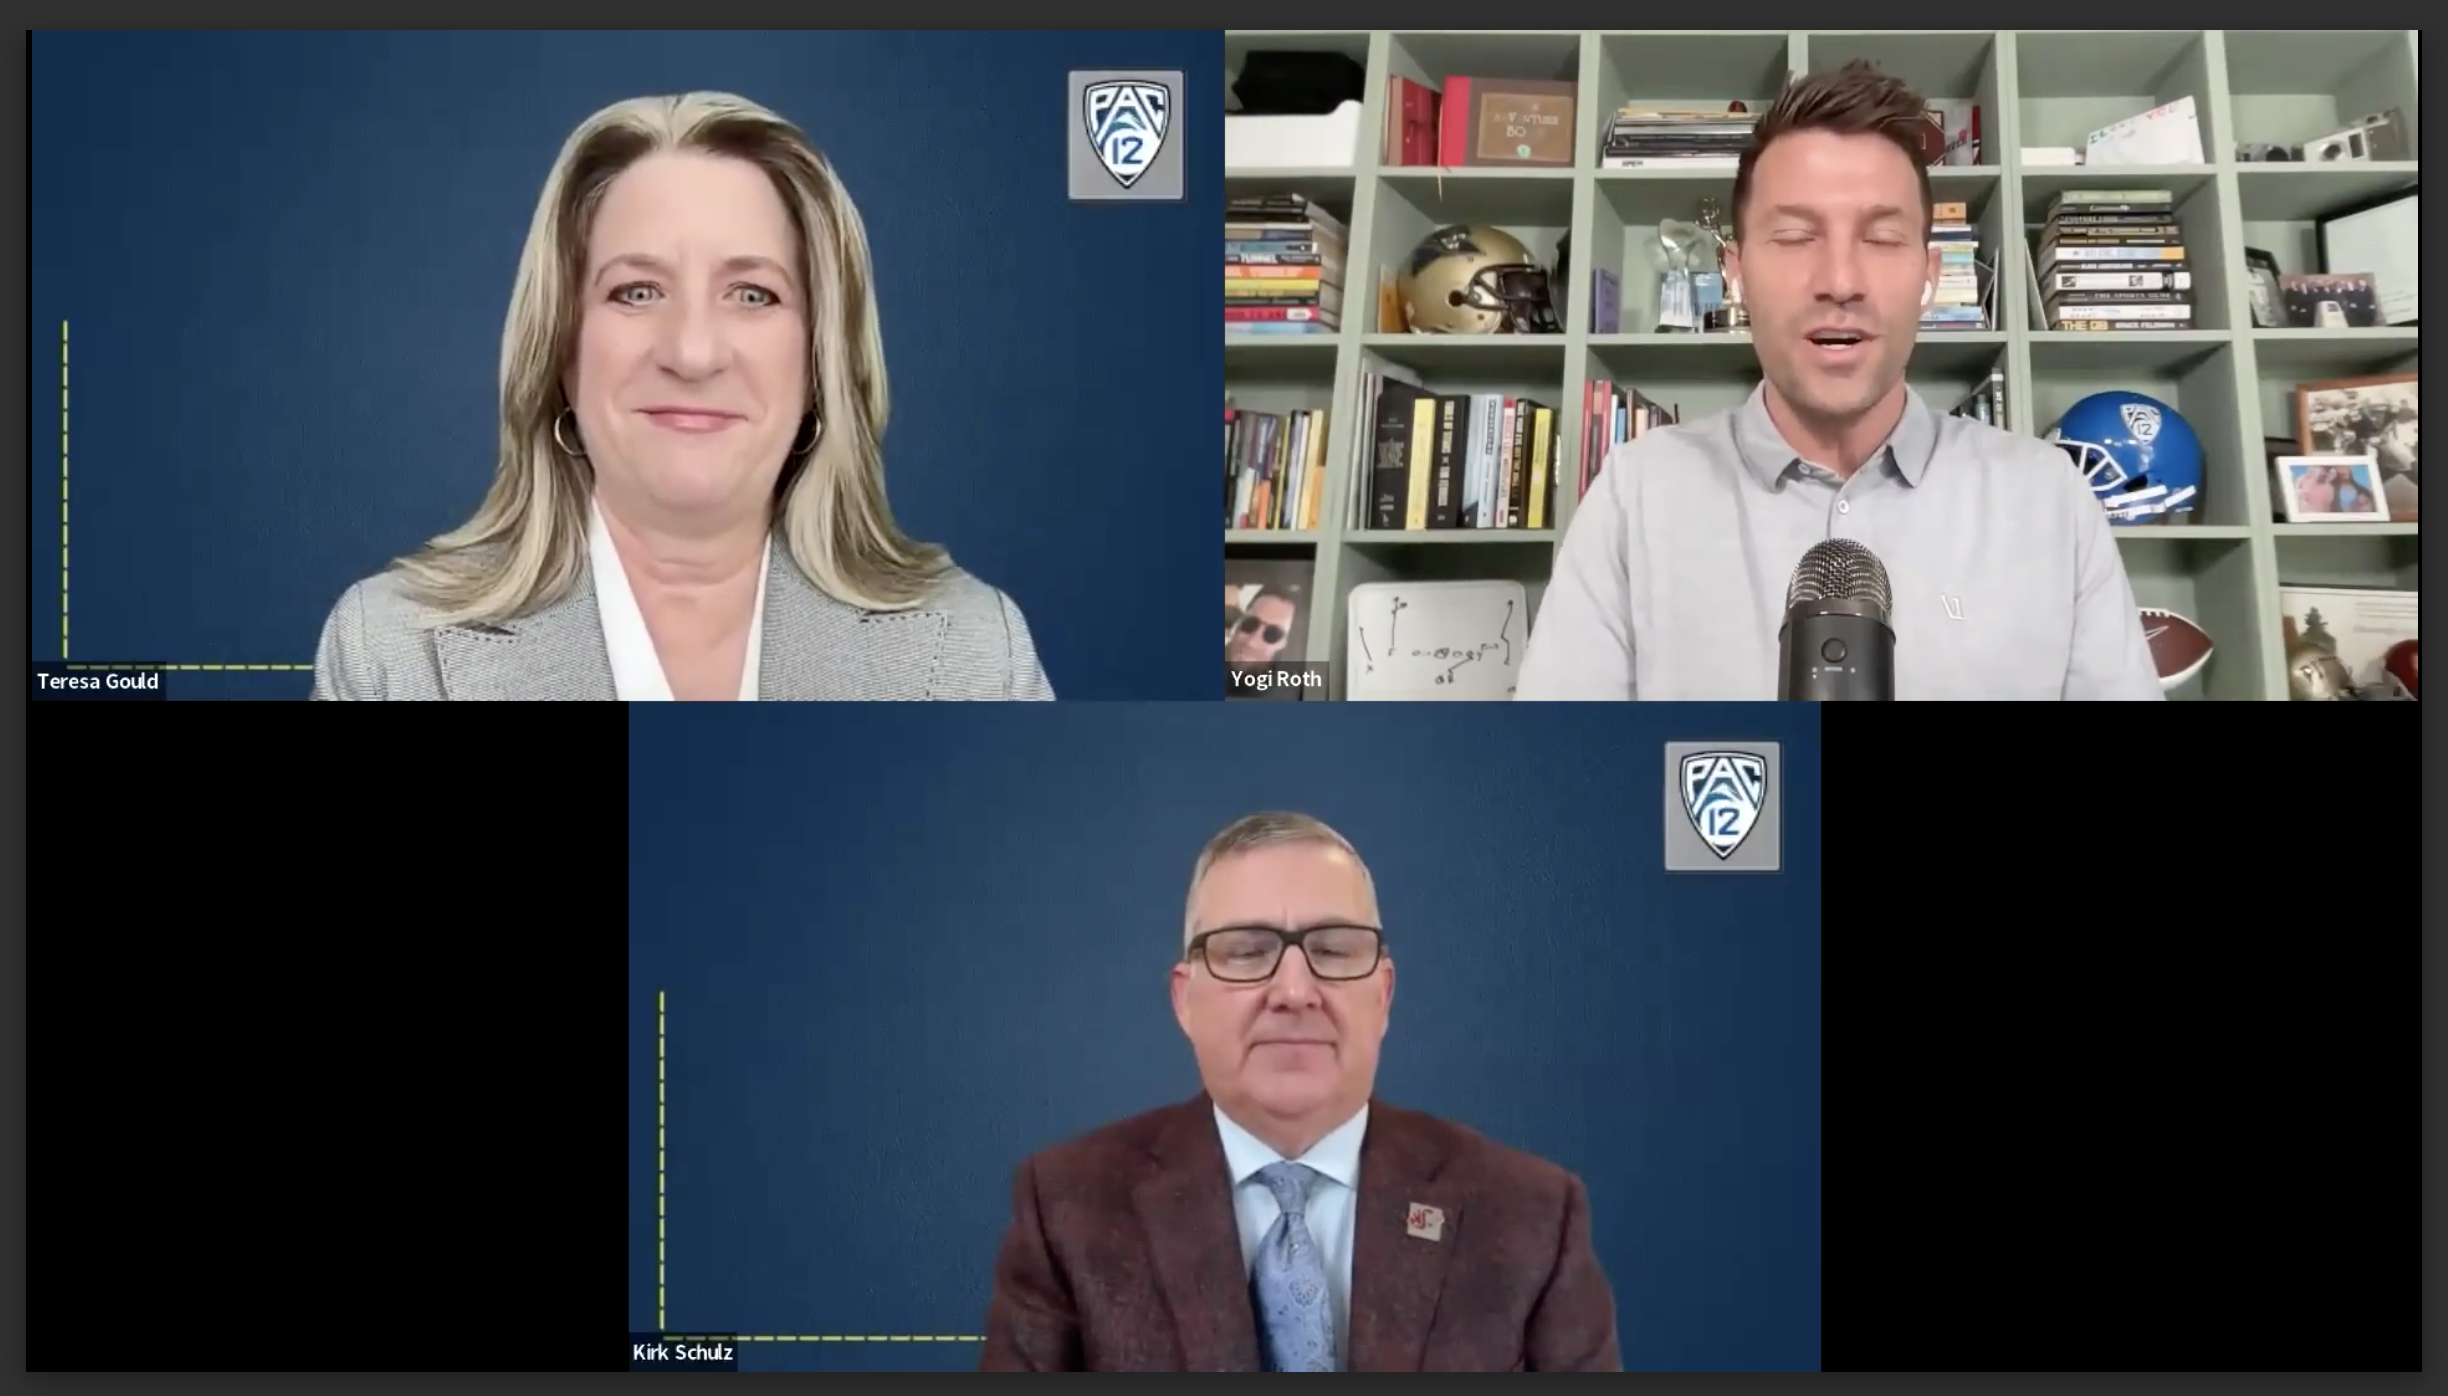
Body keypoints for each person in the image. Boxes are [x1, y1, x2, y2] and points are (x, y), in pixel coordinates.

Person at [311, 92, 1053, 700]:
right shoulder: (391, 656)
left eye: (753, 294)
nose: (693, 353)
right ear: (561, 350)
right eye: (636, 291)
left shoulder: (973, 654)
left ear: (819, 354)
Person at [1516, 63, 2161, 701]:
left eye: (1881, 239)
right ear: (1735, 273)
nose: (1841, 280)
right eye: (1796, 237)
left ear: (1929, 276)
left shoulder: (2050, 502)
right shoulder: (1635, 500)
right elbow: (1560, 785)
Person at [980, 813, 1621, 1372]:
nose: (1293, 991)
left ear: (1384, 995)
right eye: (1246, 951)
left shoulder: (1530, 1214)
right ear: (1185, 999)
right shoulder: (1068, 1209)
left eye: (1335, 950)